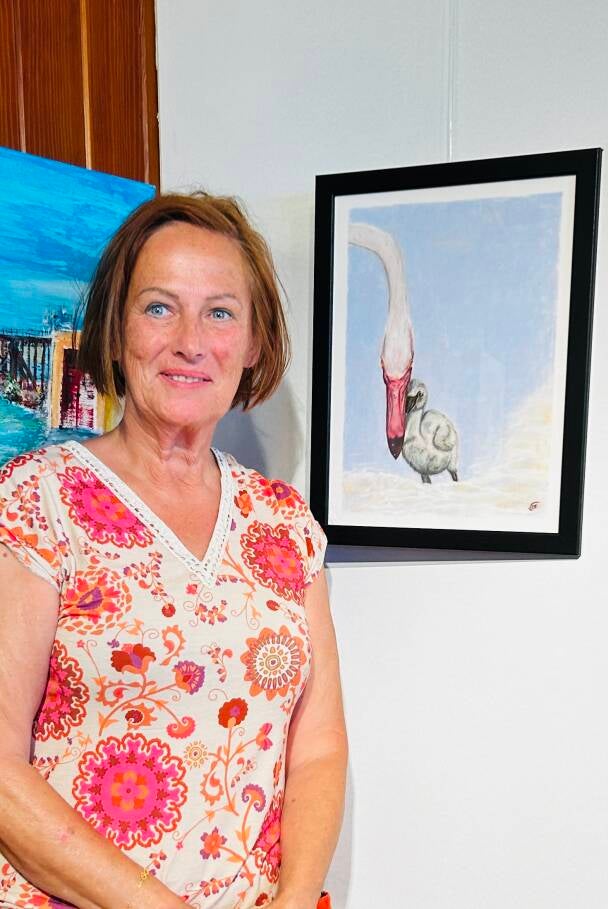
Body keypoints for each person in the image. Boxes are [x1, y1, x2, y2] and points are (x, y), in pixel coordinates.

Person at [0, 193, 347, 909]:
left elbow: (318, 746)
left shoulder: (284, 523)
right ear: (115, 330)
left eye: (220, 312)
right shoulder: (38, 500)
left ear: (253, 344)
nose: (191, 341)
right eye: (159, 307)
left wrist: (294, 899)